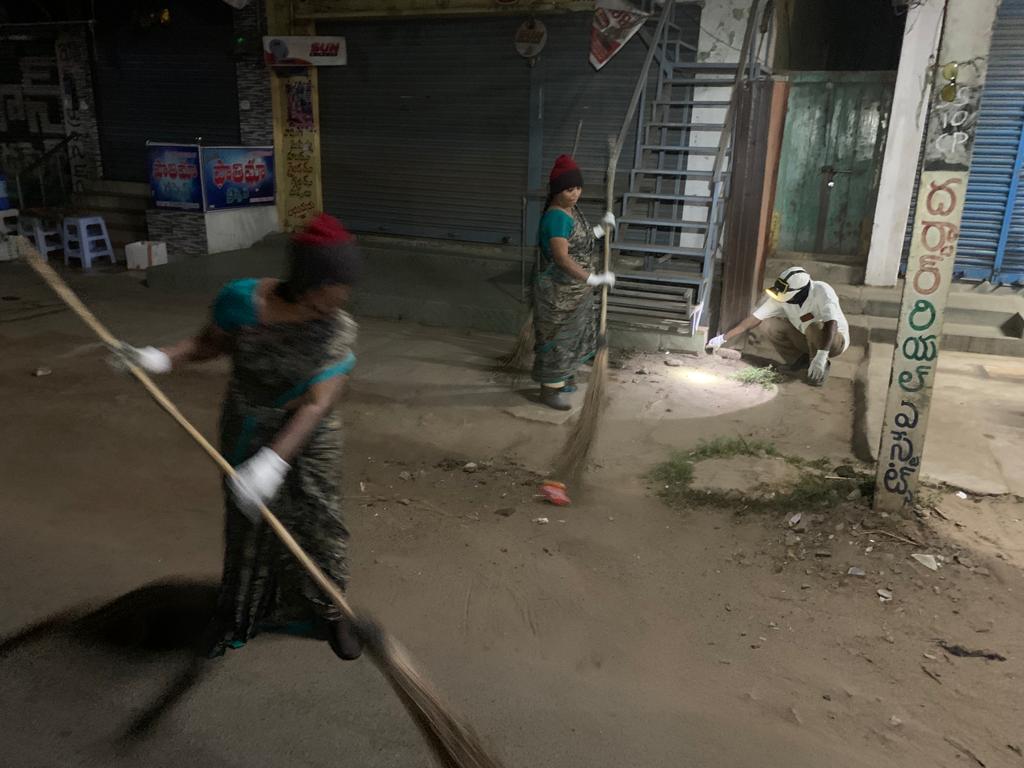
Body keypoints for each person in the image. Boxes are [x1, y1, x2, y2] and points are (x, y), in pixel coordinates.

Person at [109, 214, 363, 660]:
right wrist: (159, 359)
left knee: (320, 521)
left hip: (310, 436)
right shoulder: (242, 302)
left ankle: (330, 612)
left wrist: (272, 463)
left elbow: (316, 404)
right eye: (334, 290)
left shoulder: (337, 329)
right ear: (310, 281)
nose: (341, 301)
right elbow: (208, 344)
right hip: (247, 424)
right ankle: (239, 614)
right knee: (248, 529)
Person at [532, 154, 617, 410]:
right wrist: (592, 278)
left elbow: (581, 239)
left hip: (577, 291)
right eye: (569, 189)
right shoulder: (556, 217)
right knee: (559, 340)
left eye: (578, 188)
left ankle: (564, 378)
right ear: (557, 191)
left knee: (575, 337)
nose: (575, 194)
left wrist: (601, 229)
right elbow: (561, 258)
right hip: (559, 293)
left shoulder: (571, 210)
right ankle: (549, 390)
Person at [707, 265, 849, 386]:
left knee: (814, 326)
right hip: (806, 337)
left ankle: (818, 370)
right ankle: (798, 362)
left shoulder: (822, 291)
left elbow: (831, 323)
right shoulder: (781, 297)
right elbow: (753, 320)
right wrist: (723, 338)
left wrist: (822, 355)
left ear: (801, 292)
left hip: (833, 341)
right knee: (767, 324)